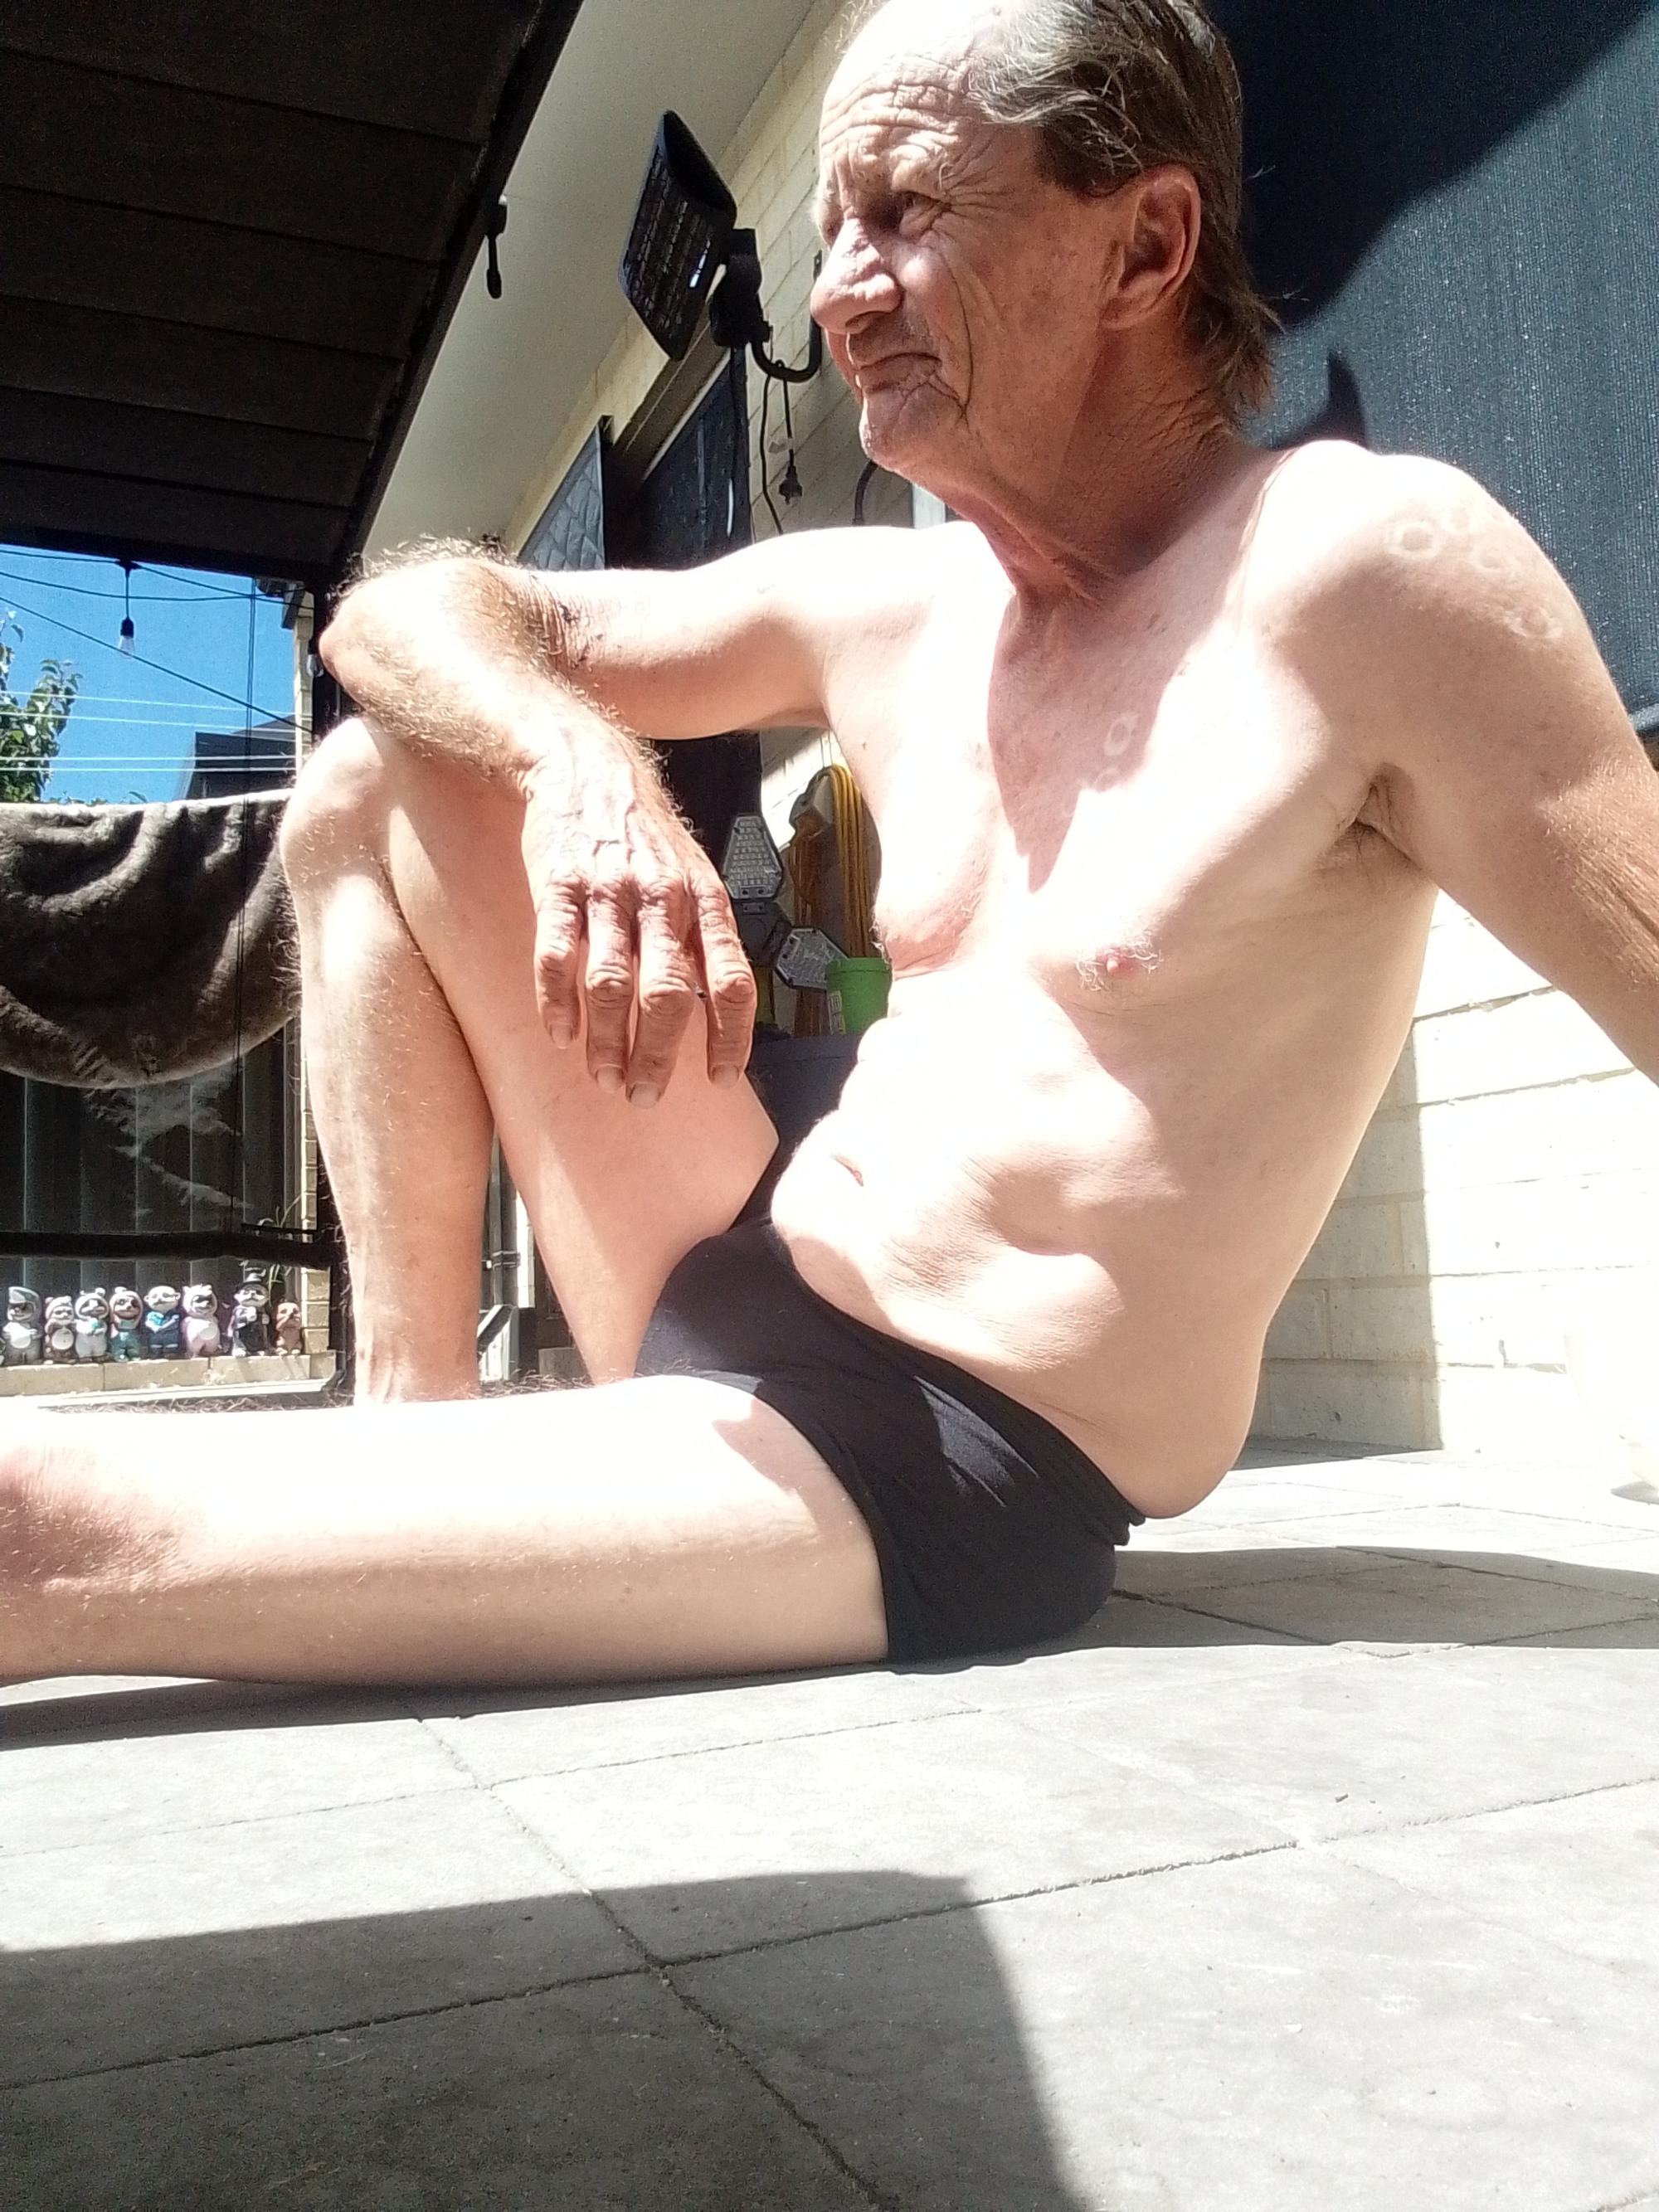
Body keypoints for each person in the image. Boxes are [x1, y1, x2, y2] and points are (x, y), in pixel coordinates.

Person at [5, 0, 1657, 1689]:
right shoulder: (896, 606)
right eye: (830, 231)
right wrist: (573, 756)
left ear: (1146, 245)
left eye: (906, 212)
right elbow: (396, 620)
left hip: (941, 1449)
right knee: (377, 778)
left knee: (32, 1524)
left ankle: (397, 1543)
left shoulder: (1361, 575)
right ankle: (410, 1438)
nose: (834, 296)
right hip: (733, 1253)